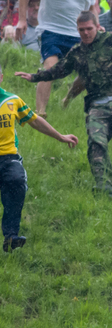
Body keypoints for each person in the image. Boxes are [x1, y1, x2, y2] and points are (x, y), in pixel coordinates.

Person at [15, 7, 112, 197]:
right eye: (81, 30)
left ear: (97, 27)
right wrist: (34, 77)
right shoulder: (77, 52)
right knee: (96, 143)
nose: (86, 33)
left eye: (89, 29)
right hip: (97, 103)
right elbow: (58, 70)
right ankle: (103, 186)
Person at [0, 63, 78, 252]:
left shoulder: (12, 100)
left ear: (1, 77)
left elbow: (34, 120)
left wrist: (60, 136)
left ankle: (11, 236)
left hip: (8, 157)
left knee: (17, 182)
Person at [15, 0, 97, 117]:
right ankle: (40, 113)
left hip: (77, 33)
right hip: (51, 31)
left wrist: (95, 26)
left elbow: (91, 8)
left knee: (88, 71)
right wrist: (22, 20)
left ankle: (67, 99)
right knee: (50, 68)